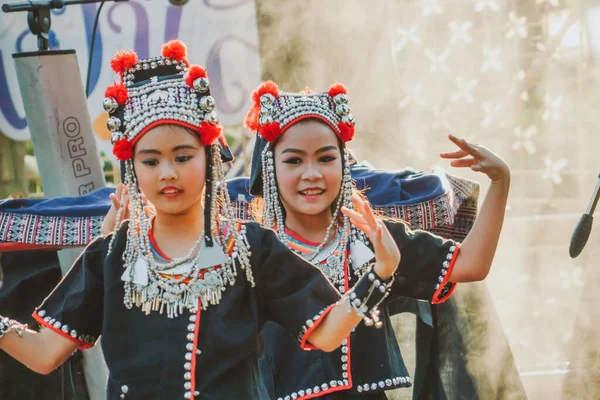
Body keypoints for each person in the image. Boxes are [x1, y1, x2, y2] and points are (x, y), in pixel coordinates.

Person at [0, 41, 402, 399]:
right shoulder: (111, 255)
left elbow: (327, 333)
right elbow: (44, 353)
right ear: (132, 167)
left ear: (210, 158)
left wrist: (381, 273)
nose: (167, 173)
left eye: (182, 156)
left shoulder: (250, 248)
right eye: (150, 160)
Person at [244, 81, 511, 399]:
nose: (312, 172)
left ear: (344, 164)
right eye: (294, 160)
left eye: (326, 158)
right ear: (270, 170)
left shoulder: (372, 238)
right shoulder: (254, 254)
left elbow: (472, 264)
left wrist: (500, 181)